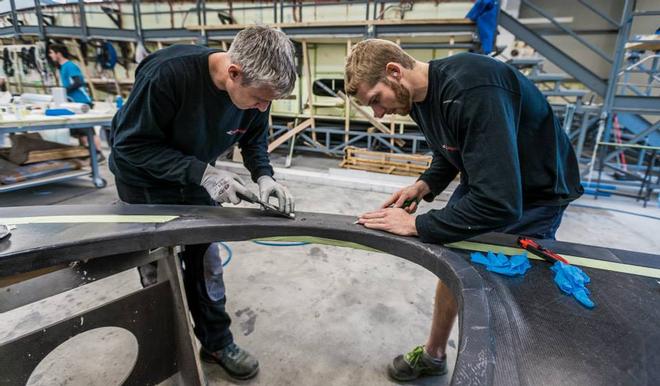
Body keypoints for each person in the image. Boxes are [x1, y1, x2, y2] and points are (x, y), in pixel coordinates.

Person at [345, 39, 583, 382]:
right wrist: (424, 185)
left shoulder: (472, 89)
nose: (379, 113)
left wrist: (416, 225)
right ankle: (434, 355)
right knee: (453, 268)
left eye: (376, 101)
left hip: (536, 192)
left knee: (507, 285)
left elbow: (499, 202)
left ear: (394, 72)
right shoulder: (420, 98)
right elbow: (449, 150)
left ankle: (508, 374)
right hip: (488, 181)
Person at [109, 26, 296, 380]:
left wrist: (265, 176)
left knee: (207, 262)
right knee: (157, 268)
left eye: (269, 101)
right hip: (143, 181)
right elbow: (130, 147)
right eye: (259, 99)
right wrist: (206, 174)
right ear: (234, 73)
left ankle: (216, 343)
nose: (263, 107)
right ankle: (167, 343)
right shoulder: (167, 75)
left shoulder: (258, 90)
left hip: (197, 174)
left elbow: (253, 140)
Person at [47, 43, 104, 160]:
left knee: (87, 129)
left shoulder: (69, 66)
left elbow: (78, 82)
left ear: (58, 54)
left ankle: (98, 153)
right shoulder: (62, 67)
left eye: (51, 52)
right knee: (78, 131)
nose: (50, 55)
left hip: (81, 102)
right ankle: (86, 152)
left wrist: (63, 91)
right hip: (72, 103)